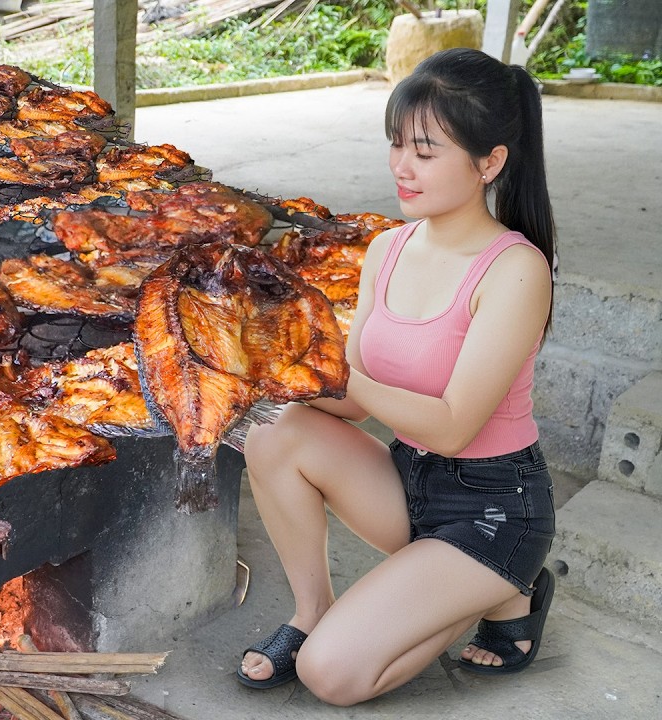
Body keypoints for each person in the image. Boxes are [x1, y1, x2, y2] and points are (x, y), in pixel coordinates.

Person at [234, 47, 558, 705]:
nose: (401, 168)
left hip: (492, 509)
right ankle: (312, 612)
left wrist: (338, 377)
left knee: (333, 677)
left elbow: (453, 421)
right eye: (396, 145)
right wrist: (266, 370)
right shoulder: (386, 249)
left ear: (489, 162)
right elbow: (352, 406)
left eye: (425, 151)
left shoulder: (515, 271)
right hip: (409, 483)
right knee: (271, 432)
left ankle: (502, 586)